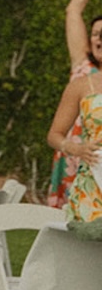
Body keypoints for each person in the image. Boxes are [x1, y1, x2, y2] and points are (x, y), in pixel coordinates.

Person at [47, 0, 102, 209]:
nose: (99, 39)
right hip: (75, 160)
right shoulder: (83, 68)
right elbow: (73, 11)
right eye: (96, 34)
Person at [47, 23, 102, 238]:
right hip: (93, 185)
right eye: (96, 35)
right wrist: (75, 148)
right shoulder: (80, 86)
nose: (99, 39)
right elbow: (54, 135)